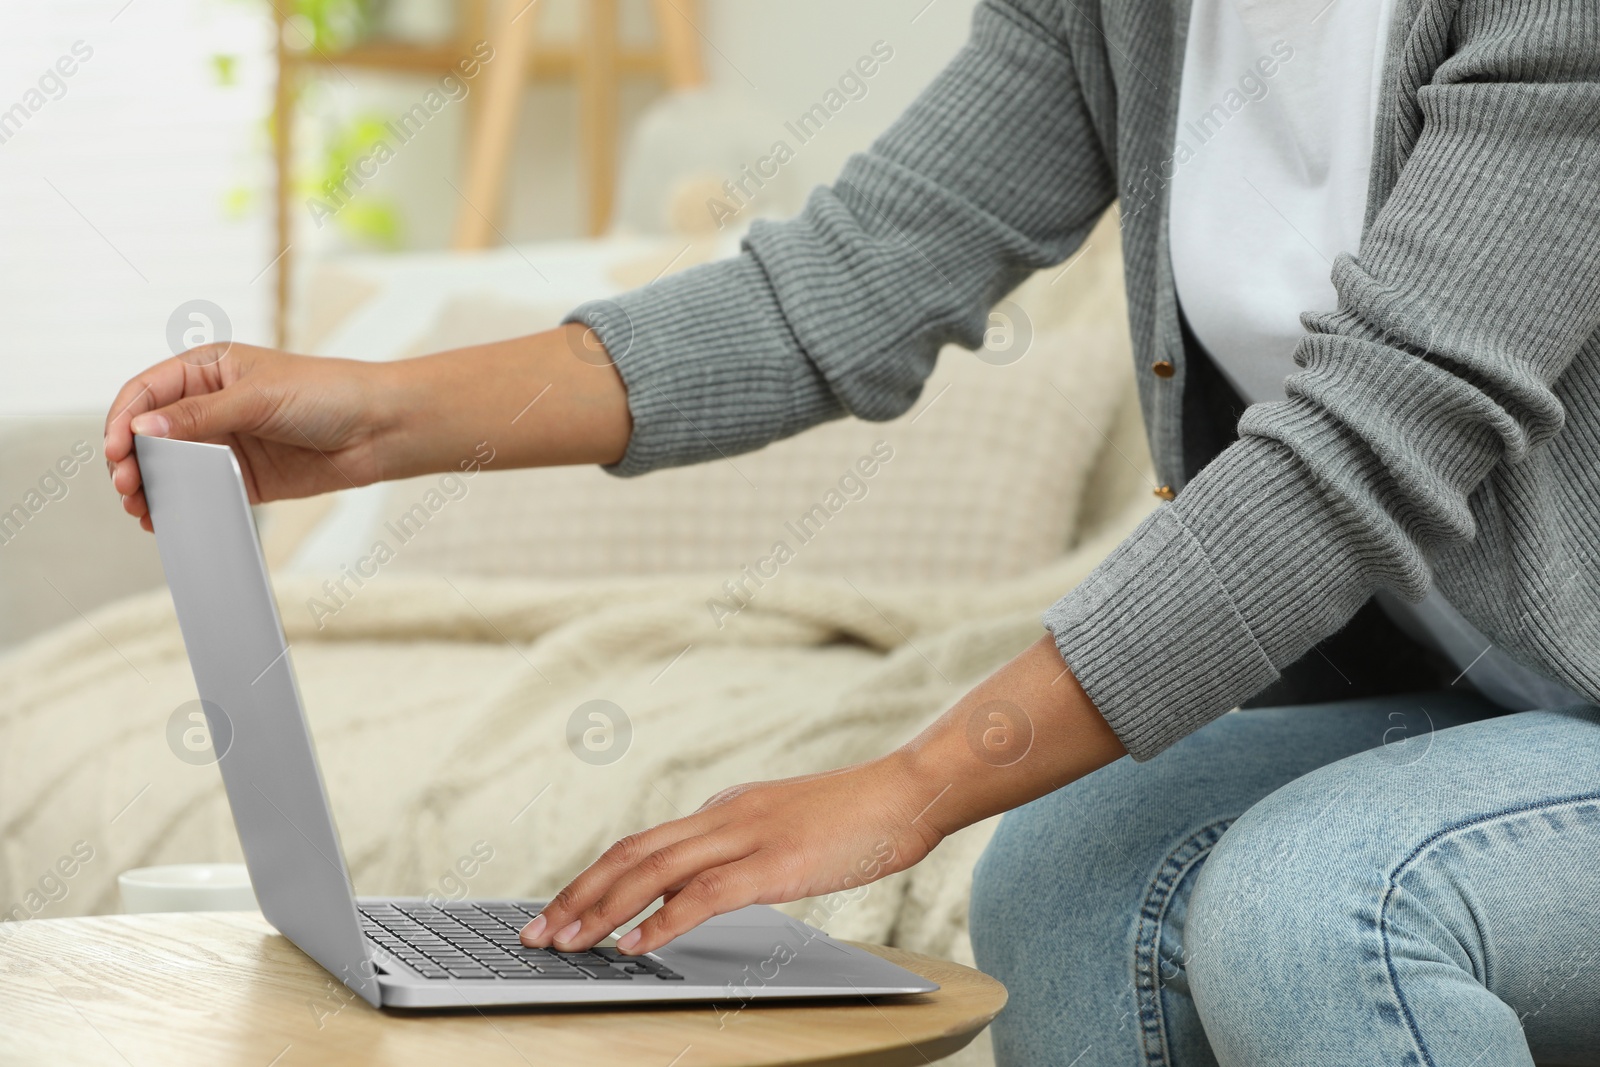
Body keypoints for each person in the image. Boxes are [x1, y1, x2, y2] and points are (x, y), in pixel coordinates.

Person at [105, 1, 1600, 1062]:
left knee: (1315, 906)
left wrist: (916, 781)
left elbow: (1358, 451)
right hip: (1475, 698)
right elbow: (855, 279)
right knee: (1061, 882)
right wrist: (379, 417)